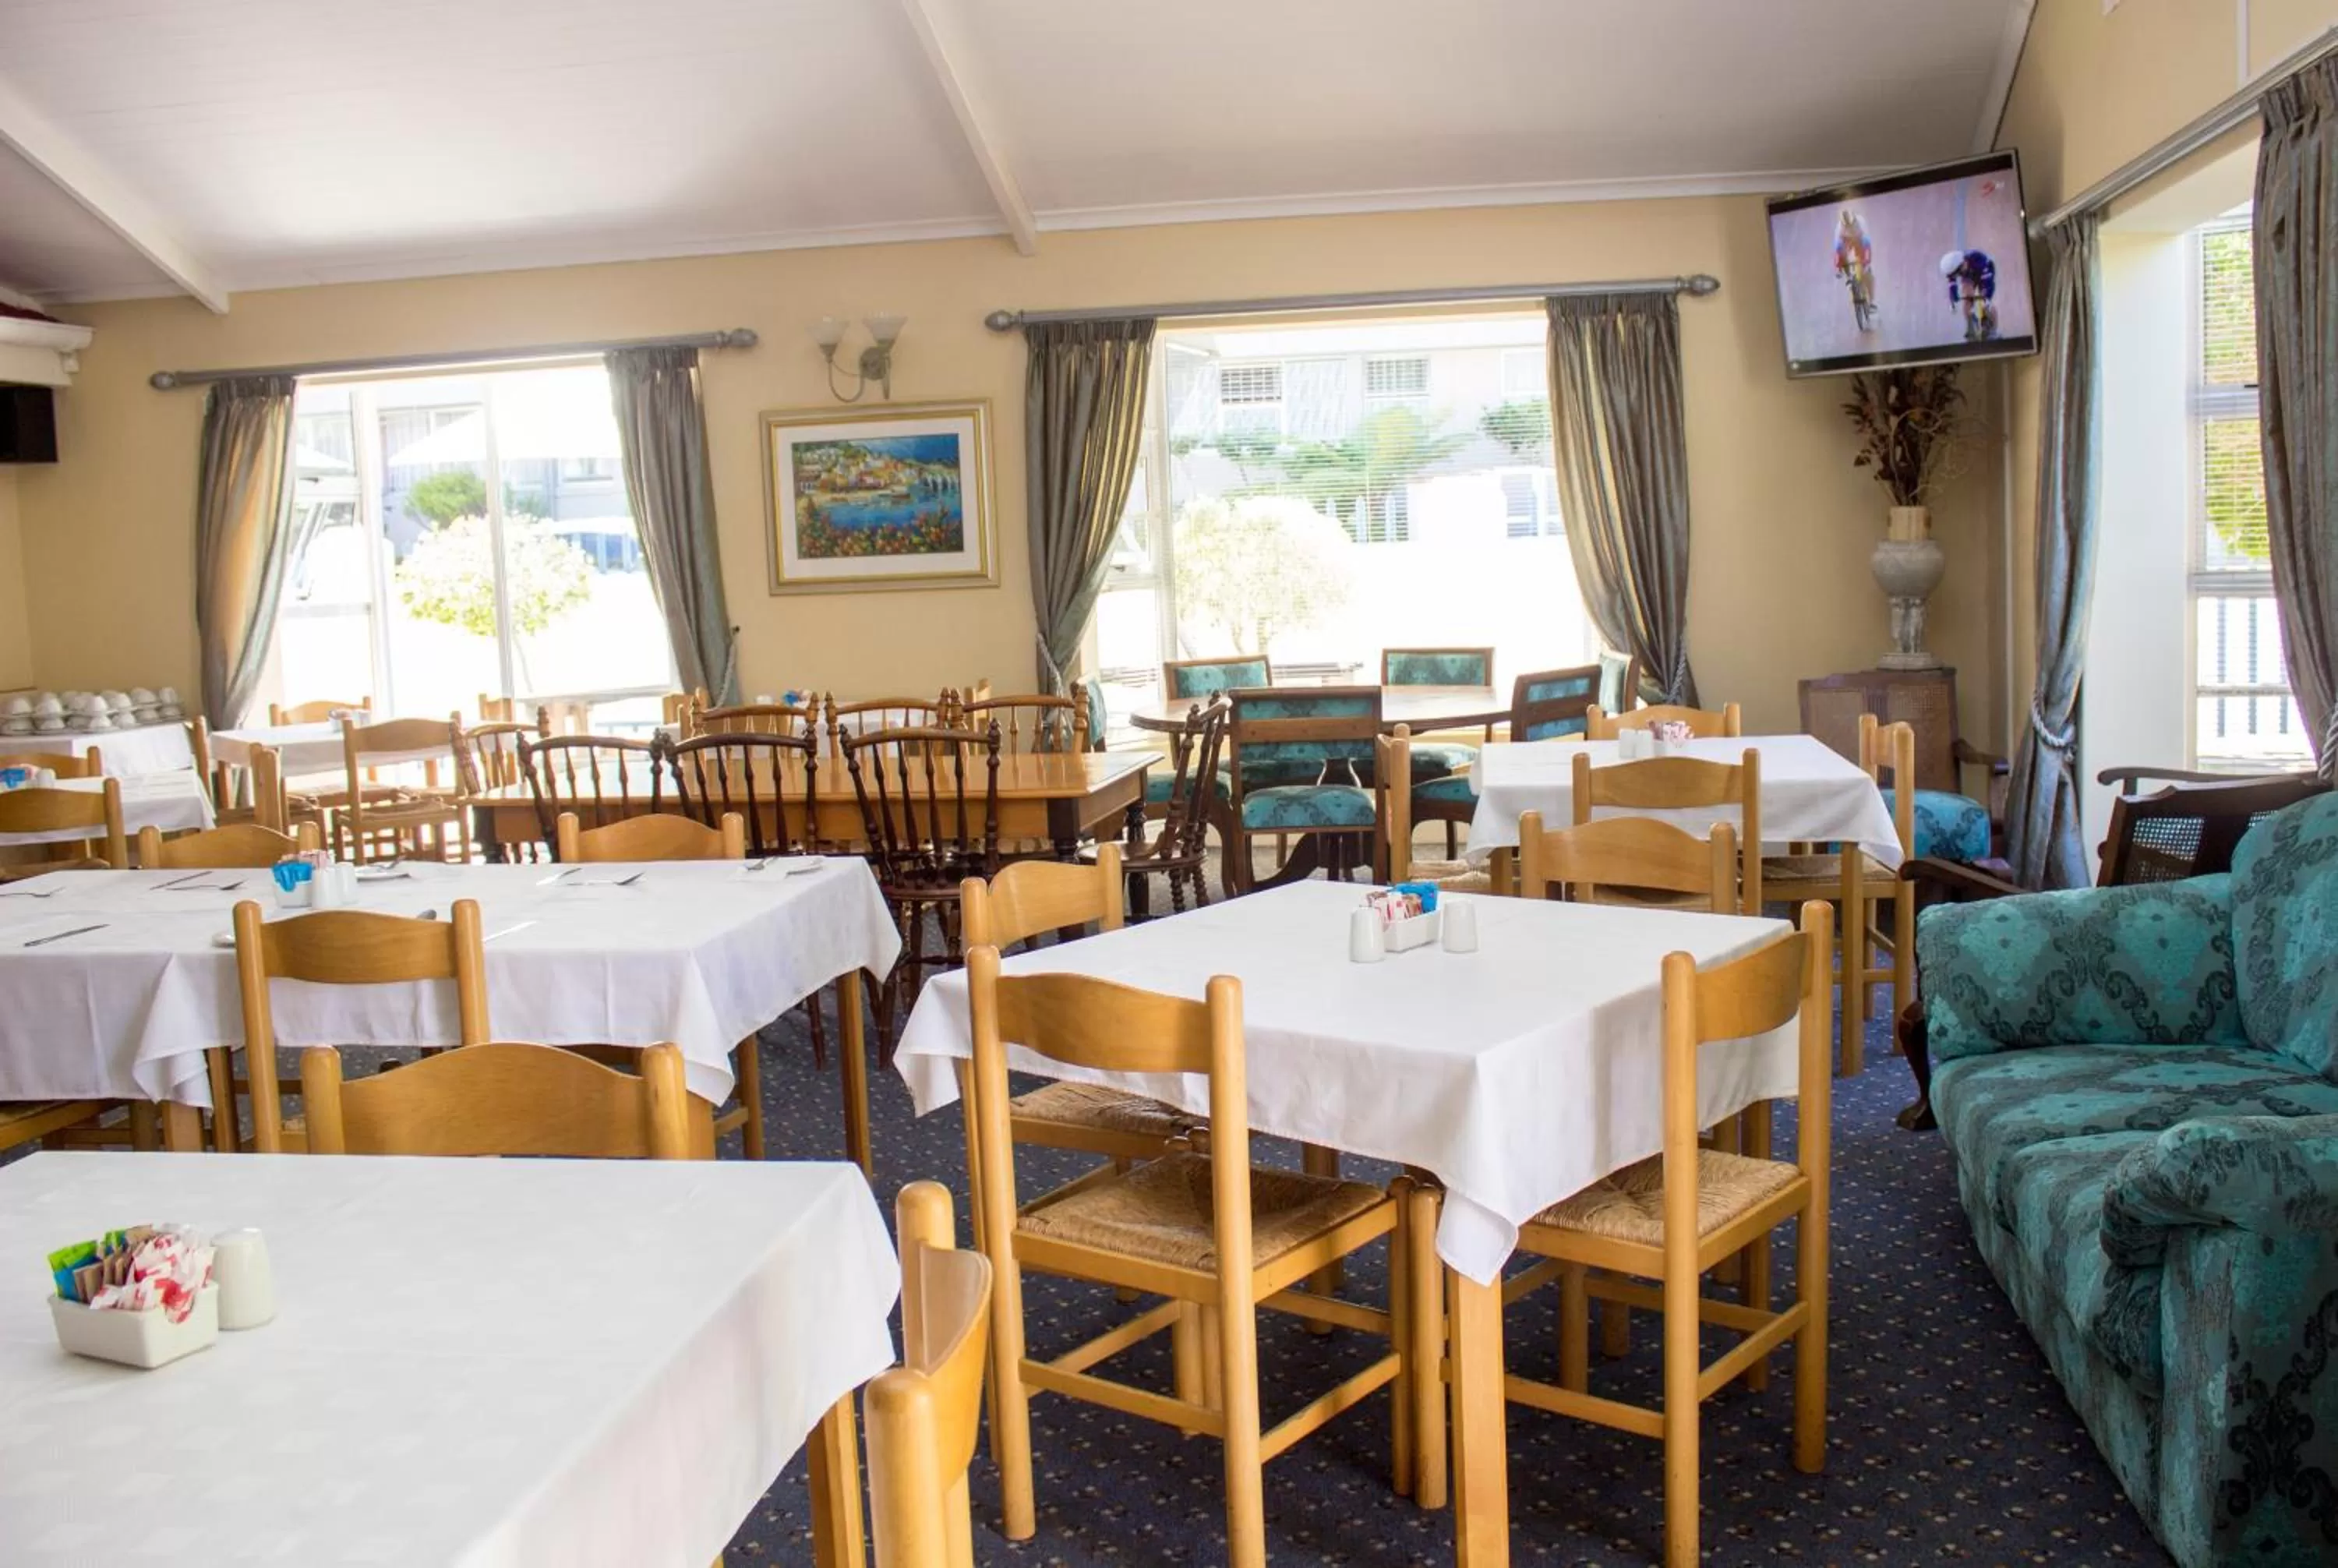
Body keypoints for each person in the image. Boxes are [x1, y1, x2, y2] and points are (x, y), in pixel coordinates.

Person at [1941, 249, 1999, 341]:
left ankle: (1993, 331)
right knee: (1967, 297)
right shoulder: (1955, 268)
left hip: (1985, 271)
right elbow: (1952, 284)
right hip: (1970, 274)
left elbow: (1988, 284)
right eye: (1956, 275)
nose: (1958, 276)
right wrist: (1953, 299)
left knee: (1986, 302)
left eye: (1959, 273)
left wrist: (1986, 298)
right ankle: (1971, 326)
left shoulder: (1978, 259)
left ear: (1963, 263)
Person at [1835, 211, 1876, 331]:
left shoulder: (1861, 224)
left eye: (1850, 226)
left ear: (1855, 222)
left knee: (1867, 274)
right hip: (1847, 245)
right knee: (1842, 256)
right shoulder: (1839, 229)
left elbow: (1867, 244)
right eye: (1846, 226)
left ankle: (1871, 301)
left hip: (1860, 244)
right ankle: (1850, 280)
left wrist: (1867, 263)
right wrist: (1838, 268)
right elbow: (1837, 249)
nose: (1848, 228)